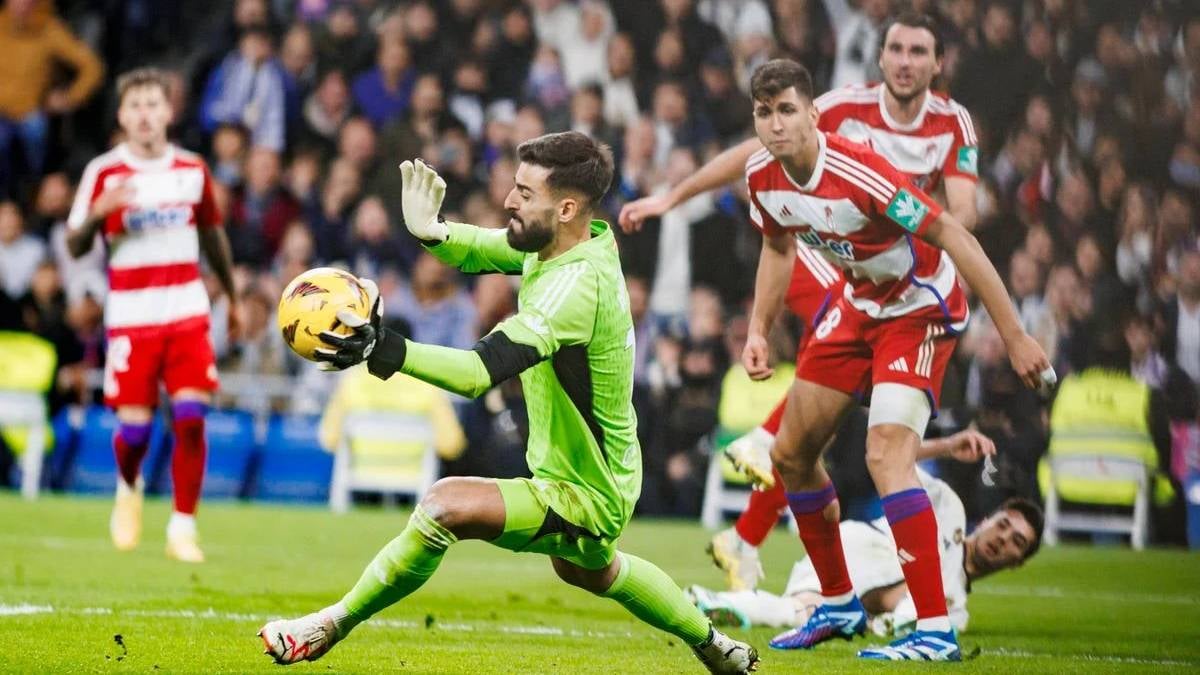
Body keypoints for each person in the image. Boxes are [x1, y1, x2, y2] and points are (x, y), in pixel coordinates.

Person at [256, 132, 759, 674]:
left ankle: (329, 624)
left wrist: (384, 348)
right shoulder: (573, 241)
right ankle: (715, 647)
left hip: (588, 491)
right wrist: (433, 232)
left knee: (444, 506)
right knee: (595, 571)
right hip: (591, 472)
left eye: (524, 192)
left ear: (565, 208)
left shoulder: (575, 287)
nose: (508, 201)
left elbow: (477, 373)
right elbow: (484, 248)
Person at [622, 11, 983, 590]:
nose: (905, 62)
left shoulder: (953, 122)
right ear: (880, 57)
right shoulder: (838, 106)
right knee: (833, 363)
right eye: (896, 49)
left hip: (892, 267)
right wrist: (671, 198)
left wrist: (917, 239)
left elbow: (960, 214)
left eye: (918, 52)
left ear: (938, 63)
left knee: (828, 415)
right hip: (824, 256)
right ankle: (764, 443)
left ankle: (745, 533)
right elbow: (754, 153)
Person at [734, 58, 1052, 662]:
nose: (775, 124)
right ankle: (837, 603)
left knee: (886, 455)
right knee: (790, 455)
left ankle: (934, 631)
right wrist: (758, 329)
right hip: (857, 305)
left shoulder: (860, 172)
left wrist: (1014, 336)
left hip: (919, 310)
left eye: (787, 110)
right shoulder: (761, 175)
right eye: (763, 112)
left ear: (813, 114)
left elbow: (953, 236)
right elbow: (777, 248)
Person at [66, 68, 239, 563]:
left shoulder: (191, 169)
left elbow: (212, 236)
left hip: (186, 309)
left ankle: (183, 528)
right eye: (135, 105)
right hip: (131, 317)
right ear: (122, 116)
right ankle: (128, 486)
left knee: (191, 418)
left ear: (169, 112)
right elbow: (75, 246)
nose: (144, 114)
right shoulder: (104, 173)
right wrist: (97, 213)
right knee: (137, 433)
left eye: (153, 104)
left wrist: (230, 296)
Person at [687, 476, 1043, 637]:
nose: (1002, 539)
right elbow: (895, 459)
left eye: (1017, 541)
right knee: (927, 594)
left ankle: (709, 602)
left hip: (862, 588)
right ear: (986, 520)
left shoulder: (957, 606)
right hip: (865, 547)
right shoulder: (948, 507)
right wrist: (947, 445)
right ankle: (891, 623)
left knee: (803, 613)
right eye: (1003, 525)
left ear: (1018, 562)